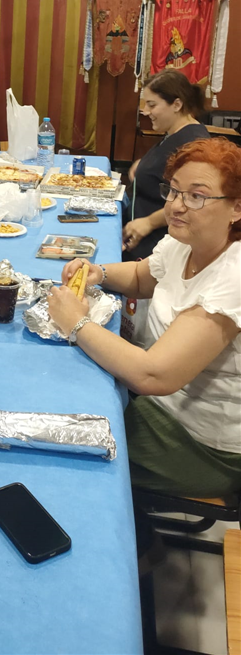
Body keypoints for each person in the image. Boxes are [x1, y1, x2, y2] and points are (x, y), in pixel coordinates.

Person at [48, 137, 241, 497]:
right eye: (174, 191)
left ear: (236, 208)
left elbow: (153, 375)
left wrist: (76, 322)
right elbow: (141, 277)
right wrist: (98, 273)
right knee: (67, 392)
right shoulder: (186, 241)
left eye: (196, 196)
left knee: (61, 440)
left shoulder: (233, 277)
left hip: (200, 445)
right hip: (161, 407)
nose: (176, 206)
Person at [123, 70, 209, 261]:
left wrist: (149, 222)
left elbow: (189, 201)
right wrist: (143, 166)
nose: (146, 111)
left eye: (152, 105)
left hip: (156, 245)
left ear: (177, 104)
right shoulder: (174, 134)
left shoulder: (193, 144)